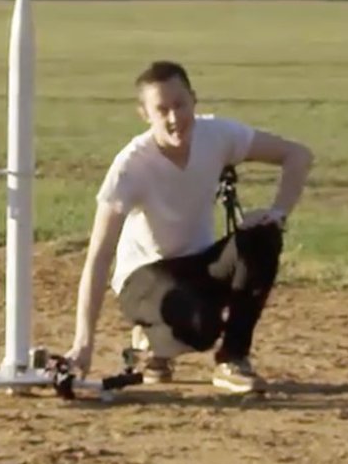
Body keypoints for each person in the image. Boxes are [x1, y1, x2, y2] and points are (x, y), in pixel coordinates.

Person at [65, 61, 314, 393]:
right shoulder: (131, 166)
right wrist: (83, 345)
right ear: (144, 114)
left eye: (180, 104)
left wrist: (277, 213)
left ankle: (233, 359)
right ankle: (151, 340)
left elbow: (297, 154)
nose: (174, 117)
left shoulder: (217, 134)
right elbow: (98, 256)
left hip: (198, 265)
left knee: (263, 237)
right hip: (144, 275)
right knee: (200, 326)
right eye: (162, 109)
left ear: (194, 100)